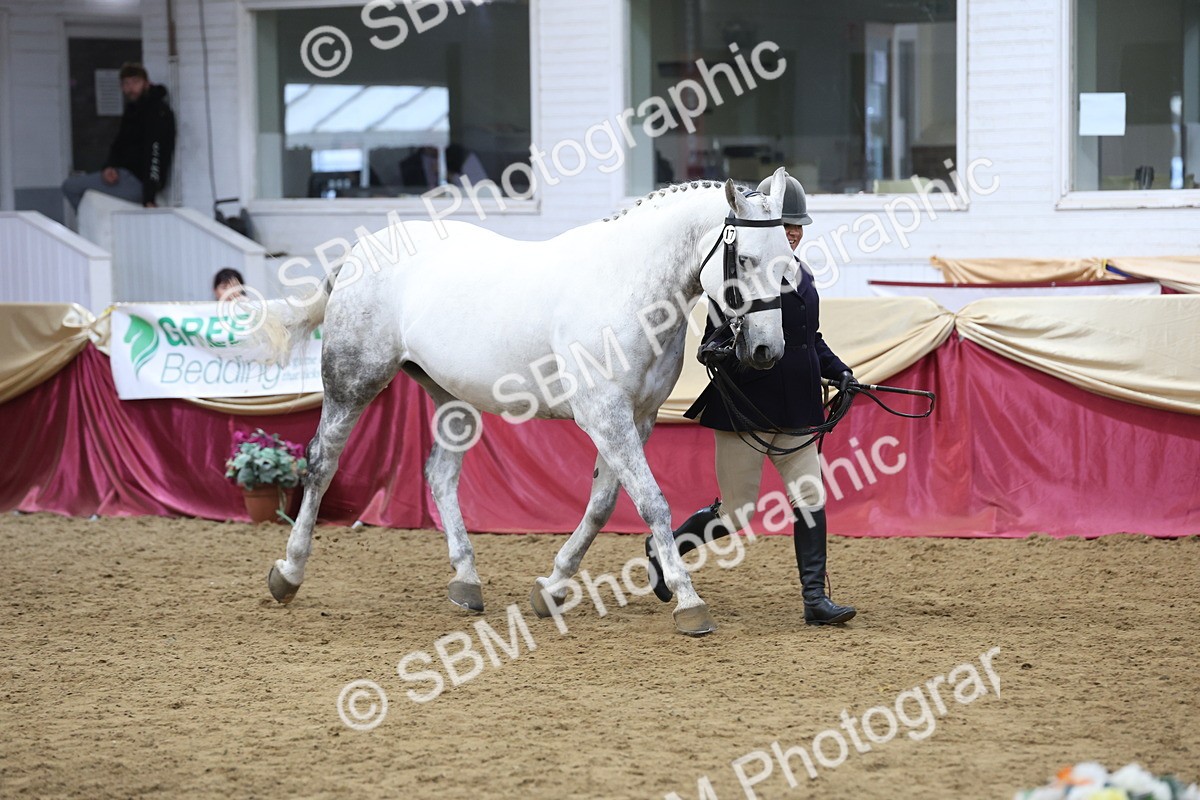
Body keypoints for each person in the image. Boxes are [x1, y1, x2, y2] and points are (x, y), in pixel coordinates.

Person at [645, 174, 858, 626]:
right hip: (748, 411)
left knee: (811, 497)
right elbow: (711, 345)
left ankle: (815, 600)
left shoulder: (802, 275)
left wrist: (839, 371)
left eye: (798, 225)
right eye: (786, 224)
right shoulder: (734, 282)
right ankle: (667, 549)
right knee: (738, 512)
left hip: (798, 407)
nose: (793, 232)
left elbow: (809, 339)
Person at [62, 63, 176, 211]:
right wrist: (109, 166)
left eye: (135, 82)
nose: (131, 88)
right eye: (126, 84)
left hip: (139, 181)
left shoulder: (157, 112)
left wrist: (149, 196)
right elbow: (119, 145)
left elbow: (155, 152)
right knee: (73, 187)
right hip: (122, 174)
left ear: (146, 84)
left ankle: (88, 230)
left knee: (71, 187)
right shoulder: (132, 111)